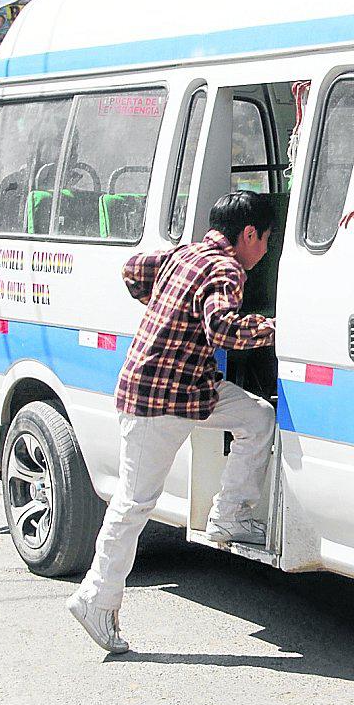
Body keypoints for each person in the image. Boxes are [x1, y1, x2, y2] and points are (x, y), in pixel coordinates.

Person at [67, 190, 279, 654]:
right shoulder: (227, 269)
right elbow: (222, 328)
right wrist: (272, 328)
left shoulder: (184, 254)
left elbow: (132, 270)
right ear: (248, 234)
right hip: (158, 400)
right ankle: (96, 598)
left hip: (187, 388)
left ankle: (228, 517)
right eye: (266, 239)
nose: (265, 250)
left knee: (257, 417)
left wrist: (167, 305)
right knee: (133, 502)